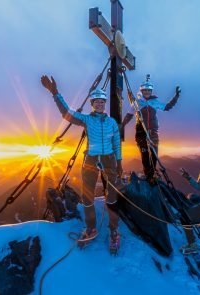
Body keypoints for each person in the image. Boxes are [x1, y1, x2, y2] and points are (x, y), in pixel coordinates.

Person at [41, 75, 123, 253]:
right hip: (91, 159)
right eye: (97, 102)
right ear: (92, 104)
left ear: (104, 103)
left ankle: (114, 231)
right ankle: (92, 228)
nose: (100, 104)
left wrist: (119, 162)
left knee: (112, 197)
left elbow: (117, 143)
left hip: (109, 159)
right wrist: (55, 93)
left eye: (102, 102)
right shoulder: (87, 119)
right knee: (87, 198)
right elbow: (67, 114)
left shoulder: (111, 122)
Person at [122, 74, 181, 184]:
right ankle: (148, 175)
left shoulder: (155, 102)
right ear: (142, 91)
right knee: (144, 154)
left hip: (153, 132)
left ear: (151, 91)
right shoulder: (137, 103)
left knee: (154, 154)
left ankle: (152, 173)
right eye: (145, 91)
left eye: (149, 91)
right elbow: (129, 115)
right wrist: (123, 125)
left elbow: (167, 107)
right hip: (141, 131)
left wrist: (176, 97)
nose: (147, 93)